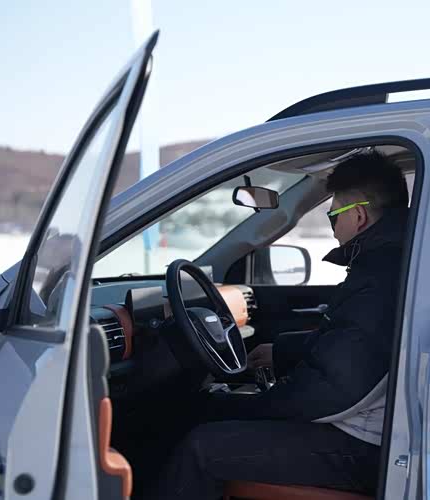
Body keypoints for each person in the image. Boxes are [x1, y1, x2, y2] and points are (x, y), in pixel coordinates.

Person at [146, 151, 410, 500]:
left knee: (201, 446)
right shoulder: (384, 266)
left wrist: (252, 406)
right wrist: (281, 351)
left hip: (359, 446)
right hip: (366, 429)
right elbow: (351, 344)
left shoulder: (378, 279)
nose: (332, 226)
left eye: (333, 215)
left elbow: (332, 392)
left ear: (358, 216)